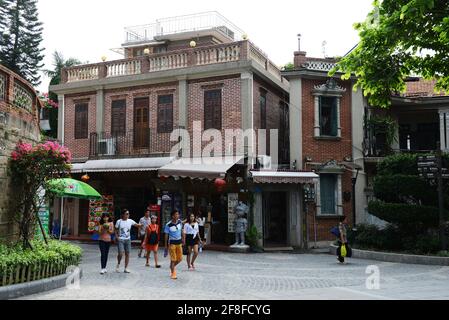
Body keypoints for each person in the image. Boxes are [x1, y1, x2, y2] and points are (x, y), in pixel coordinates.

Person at [115, 209, 141, 273]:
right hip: (121, 239)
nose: (128, 215)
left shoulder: (130, 221)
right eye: (126, 214)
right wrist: (117, 237)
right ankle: (118, 263)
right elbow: (115, 229)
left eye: (128, 214)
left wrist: (143, 225)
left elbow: (137, 225)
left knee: (127, 253)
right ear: (123, 214)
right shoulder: (119, 221)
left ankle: (126, 268)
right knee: (120, 253)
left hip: (128, 239)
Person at [164, 210, 184, 280]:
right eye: (176, 214)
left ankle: (172, 267)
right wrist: (166, 246)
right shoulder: (168, 225)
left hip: (179, 243)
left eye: (178, 214)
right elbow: (166, 236)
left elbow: (182, 231)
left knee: (180, 259)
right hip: (172, 243)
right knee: (173, 259)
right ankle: (173, 273)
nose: (178, 216)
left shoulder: (179, 222)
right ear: (172, 216)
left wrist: (183, 239)